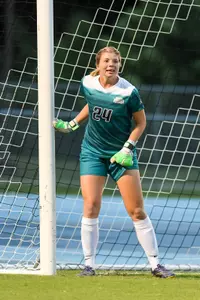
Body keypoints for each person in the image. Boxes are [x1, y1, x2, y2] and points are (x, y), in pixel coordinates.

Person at [53, 46, 175, 278]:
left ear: (120, 65)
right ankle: (89, 266)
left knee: (136, 211)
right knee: (90, 206)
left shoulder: (129, 92)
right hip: (92, 152)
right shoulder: (87, 83)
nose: (111, 64)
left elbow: (140, 123)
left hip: (121, 155)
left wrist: (127, 148)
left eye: (116, 61)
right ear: (98, 64)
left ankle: (155, 265)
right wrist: (72, 125)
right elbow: (92, 103)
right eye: (107, 61)